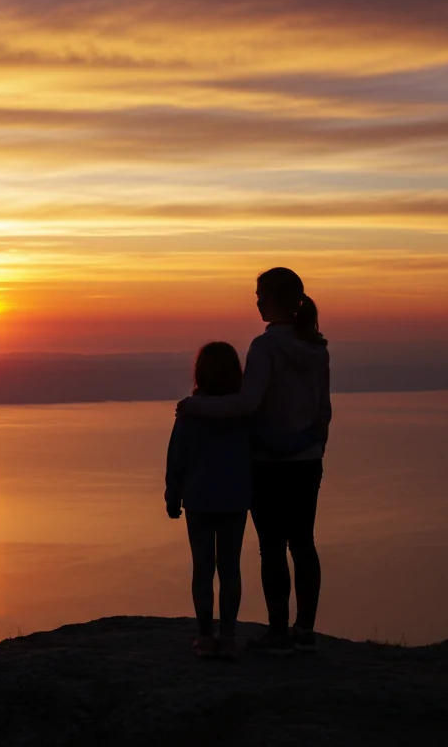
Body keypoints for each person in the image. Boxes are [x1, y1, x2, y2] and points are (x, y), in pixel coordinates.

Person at [176, 267, 331, 657]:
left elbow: (248, 403)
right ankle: (306, 629)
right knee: (304, 543)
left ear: (275, 299)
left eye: (260, 293)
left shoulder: (265, 347)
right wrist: (312, 445)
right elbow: (323, 411)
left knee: (273, 548)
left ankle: (279, 630)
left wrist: (196, 405)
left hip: (267, 464)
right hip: (307, 461)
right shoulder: (317, 346)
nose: (256, 299)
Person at [166, 342, 252, 660]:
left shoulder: (190, 413)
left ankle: (204, 637)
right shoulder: (243, 412)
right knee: (230, 569)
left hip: (200, 500)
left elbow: (177, 457)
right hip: (234, 499)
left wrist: (172, 495)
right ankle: (227, 636)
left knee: (203, 569)